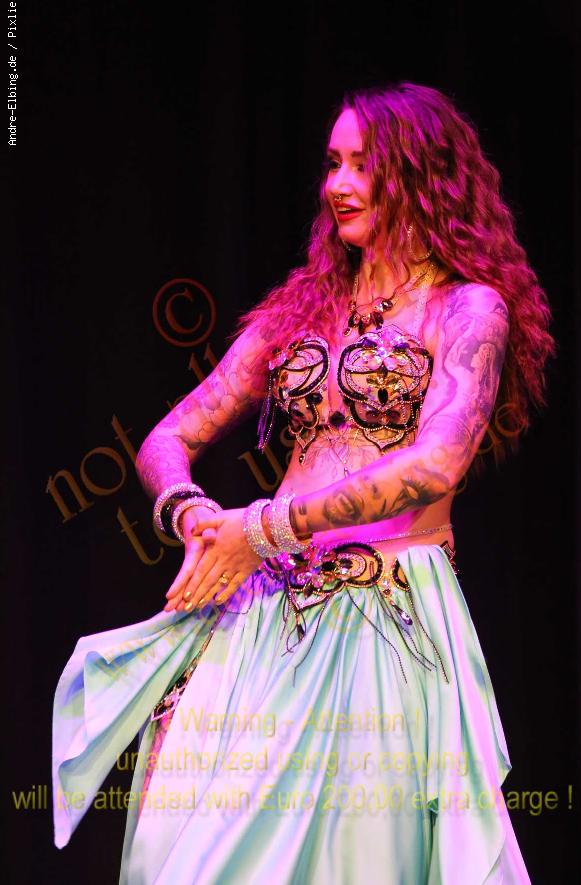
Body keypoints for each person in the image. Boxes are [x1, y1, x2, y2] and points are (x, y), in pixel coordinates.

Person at [52, 82, 554, 884]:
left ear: (424, 175)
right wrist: (193, 513)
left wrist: (263, 526)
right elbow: (168, 437)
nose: (339, 184)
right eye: (332, 163)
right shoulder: (303, 309)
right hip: (261, 610)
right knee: (187, 853)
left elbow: (435, 463)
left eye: (365, 164)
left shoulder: (467, 310)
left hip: (382, 617)